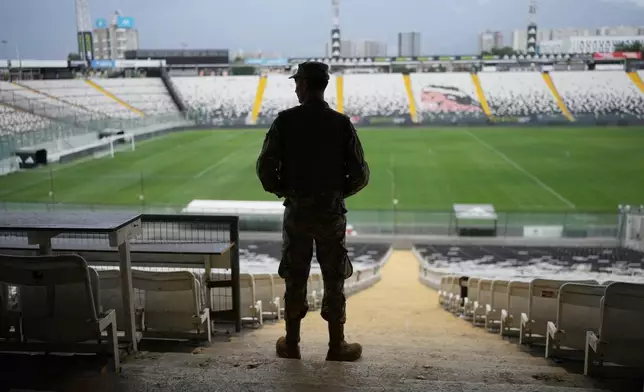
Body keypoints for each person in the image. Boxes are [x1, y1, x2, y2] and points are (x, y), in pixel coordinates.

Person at [256, 61, 370, 362]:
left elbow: (265, 169)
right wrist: (335, 193)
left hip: (297, 212)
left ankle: (292, 343)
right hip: (331, 214)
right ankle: (336, 345)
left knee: (295, 275)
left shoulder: (284, 121)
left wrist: (286, 190)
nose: (295, 88)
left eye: (297, 83)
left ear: (305, 85)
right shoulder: (341, 123)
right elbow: (360, 174)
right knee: (334, 277)